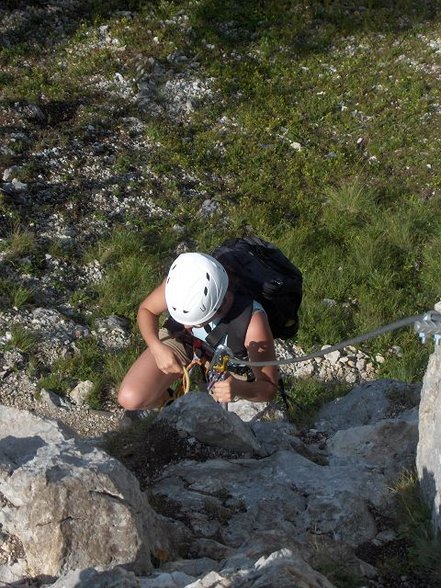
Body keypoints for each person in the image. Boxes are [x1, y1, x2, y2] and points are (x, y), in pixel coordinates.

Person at [118, 251, 279, 411]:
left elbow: (269, 388)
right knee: (130, 397)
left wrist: (237, 388)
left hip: (230, 364)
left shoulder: (253, 323)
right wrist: (156, 347)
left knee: (208, 422)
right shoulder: (184, 281)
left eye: (196, 323)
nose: (188, 326)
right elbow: (147, 309)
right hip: (185, 339)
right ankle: (169, 403)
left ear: (217, 309)